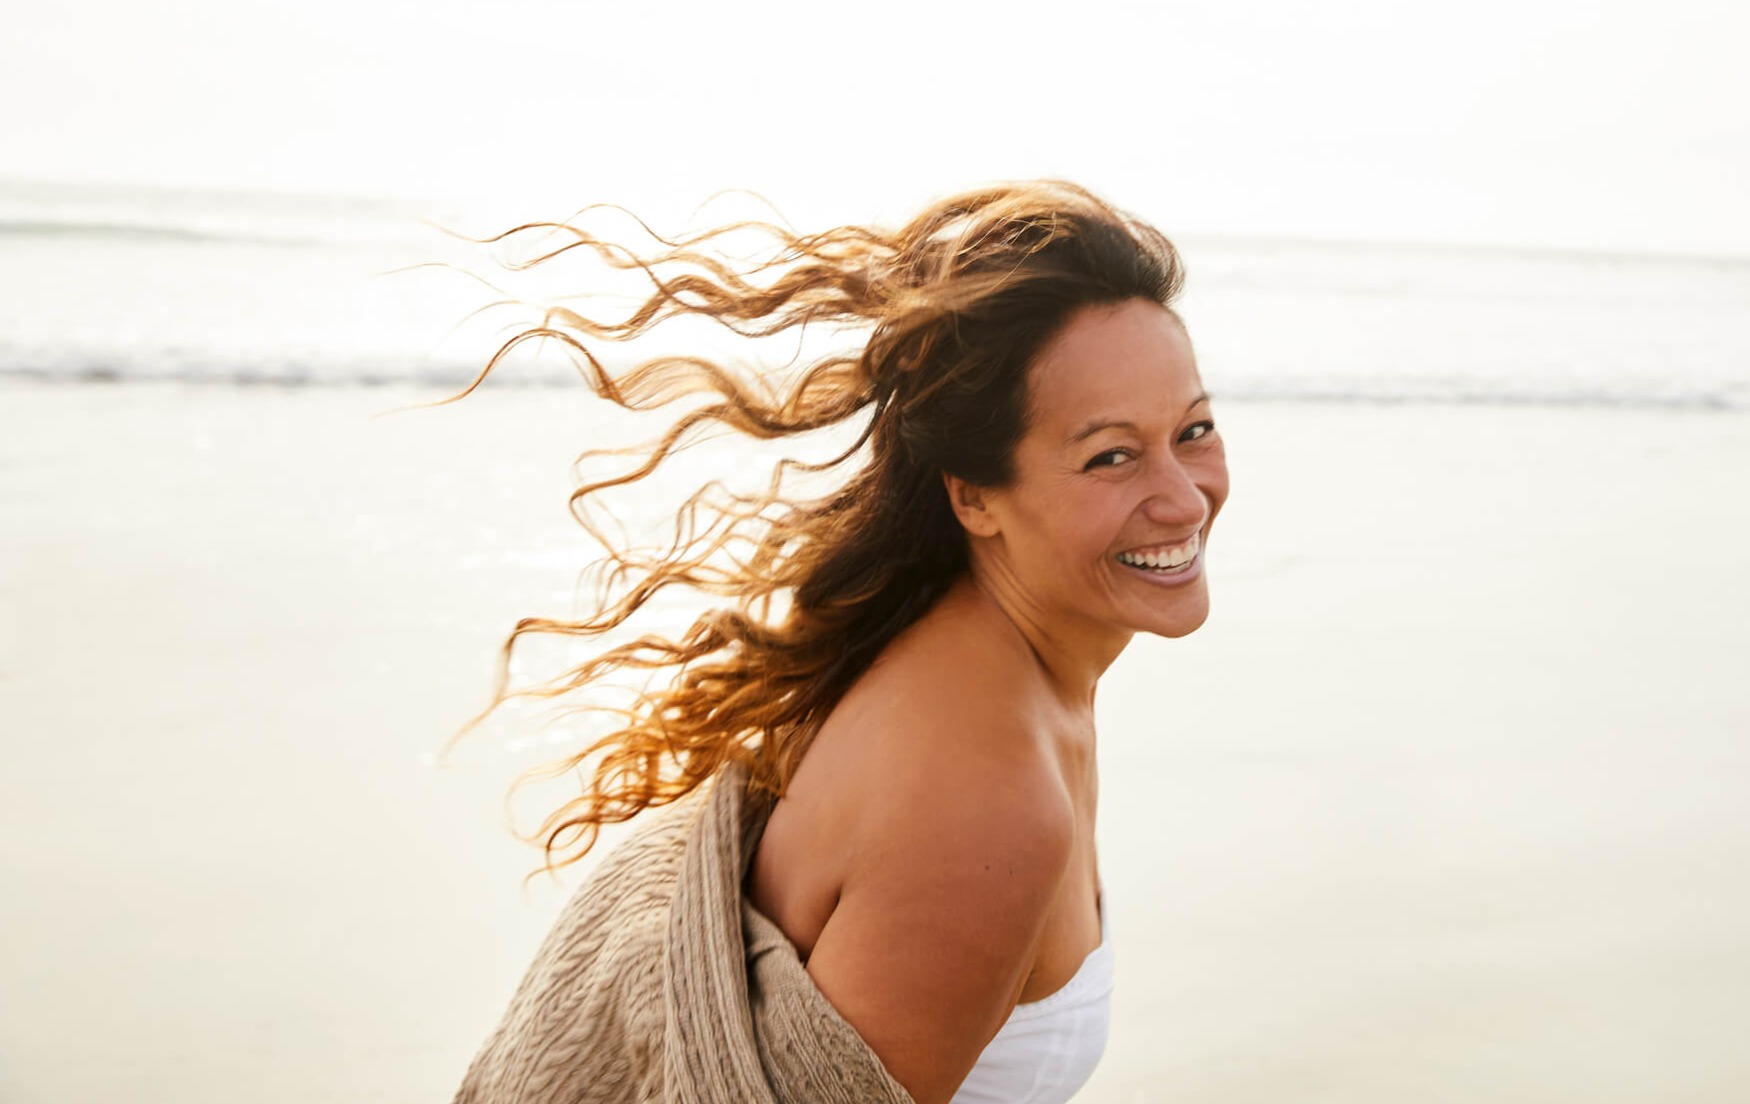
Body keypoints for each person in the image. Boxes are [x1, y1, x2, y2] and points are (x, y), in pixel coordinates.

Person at [449, 180, 1229, 1104]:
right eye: (1110, 456)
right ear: (973, 496)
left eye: (1193, 431)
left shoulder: (978, 669)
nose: (1182, 496)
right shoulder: (986, 800)